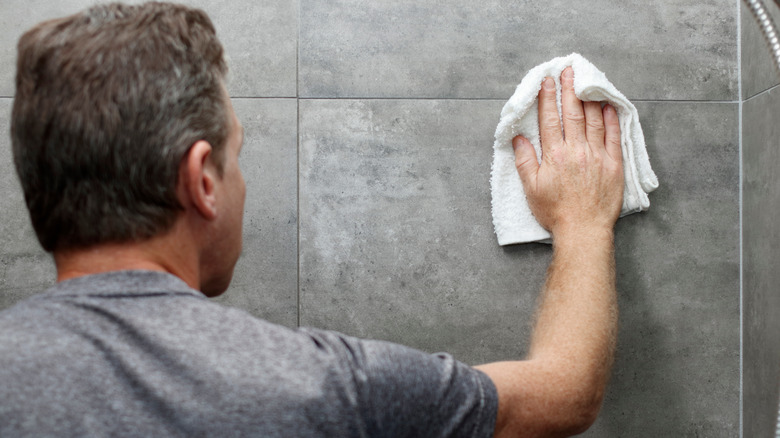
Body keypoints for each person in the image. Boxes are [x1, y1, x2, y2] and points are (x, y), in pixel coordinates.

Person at [0, 2, 623, 437]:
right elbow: (565, 393)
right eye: (236, 154)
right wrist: (584, 223)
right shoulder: (323, 387)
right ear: (201, 181)